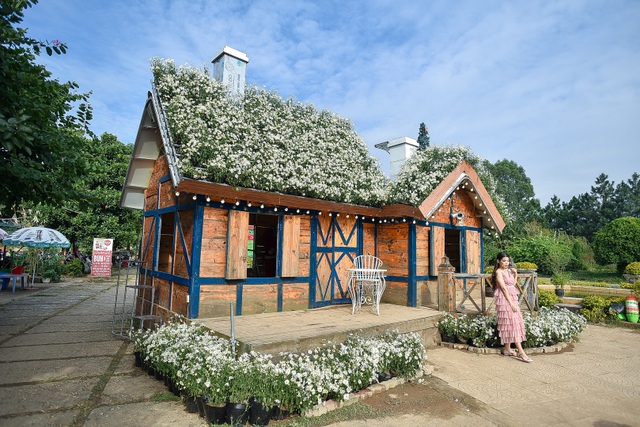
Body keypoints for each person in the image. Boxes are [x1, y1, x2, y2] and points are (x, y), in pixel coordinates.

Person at [491, 252, 533, 363]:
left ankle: (507, 349)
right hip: (505, 299)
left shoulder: (509, 271)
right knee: (512, 323)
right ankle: (521, 352)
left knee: (511, 323)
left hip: (512, 298)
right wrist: (511, 304)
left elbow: (512, 285)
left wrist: (515, 275)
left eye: (507, 261)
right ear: (498, 261)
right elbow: (504, 289)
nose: (506, 263)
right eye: (504, 261)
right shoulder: (498, 272)